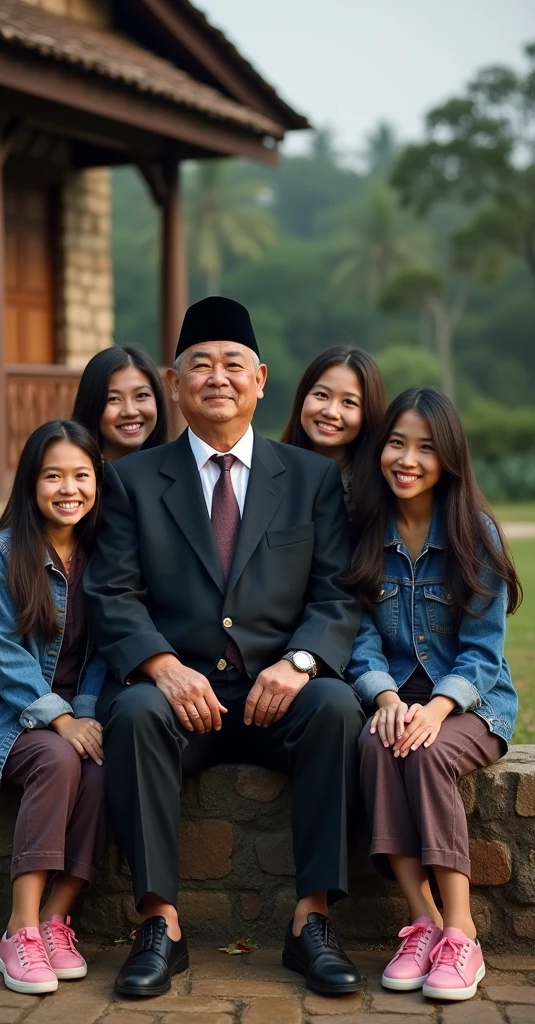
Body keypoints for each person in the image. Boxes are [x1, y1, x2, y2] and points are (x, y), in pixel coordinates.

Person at [84, 296, 365, 998]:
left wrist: (301, 662)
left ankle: (313, 922)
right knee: (137, 712)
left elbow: (338, 595)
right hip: (181, 697)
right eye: (199, 365)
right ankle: (160, 924)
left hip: (281, 693)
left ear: (262, 379)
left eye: (233, 364)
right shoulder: (132, 482)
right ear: (174, 384)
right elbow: (112, 594)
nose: (218, 377)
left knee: (335, 705)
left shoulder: (310, 479)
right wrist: (162, 667)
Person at [346, 387, 520, 1003]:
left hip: (472, 703)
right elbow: (360, 642)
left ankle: (462, 933)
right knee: (373, 747)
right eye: (396, 442)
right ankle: (421, 922)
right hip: (397, 696)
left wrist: (437, 709)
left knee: (426, 752)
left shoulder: (477, 535)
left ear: (449, 457)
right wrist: (386, 701)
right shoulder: (366, 533)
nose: (407, 459)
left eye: (425, 447)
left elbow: (482, 653)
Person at [0, 420, 108, 996]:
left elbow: (100, 653)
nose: (68, 488)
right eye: (53, 476)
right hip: (8, 718)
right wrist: (63, 720)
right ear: (30, 483)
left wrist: (86, 714)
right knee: (58, 759)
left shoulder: (99, 557)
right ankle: (18, 929)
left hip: (74, 712)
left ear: (97, 481)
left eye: (81, 475)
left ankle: (54, 918)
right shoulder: (3, 555)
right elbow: (6, 659)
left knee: (101, 766)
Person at [281, 345, 385, 524]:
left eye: (348, 402)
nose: (331, 412)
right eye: (321, 395)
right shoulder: (267, 472)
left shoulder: (380, 490)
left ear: (368, 413)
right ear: (302, 398)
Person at [72, 345, 168, 461]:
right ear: (91, 404)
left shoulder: (180, 470)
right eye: (114, 399)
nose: (130, 411)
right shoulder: (76, 477)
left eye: (141, 396)